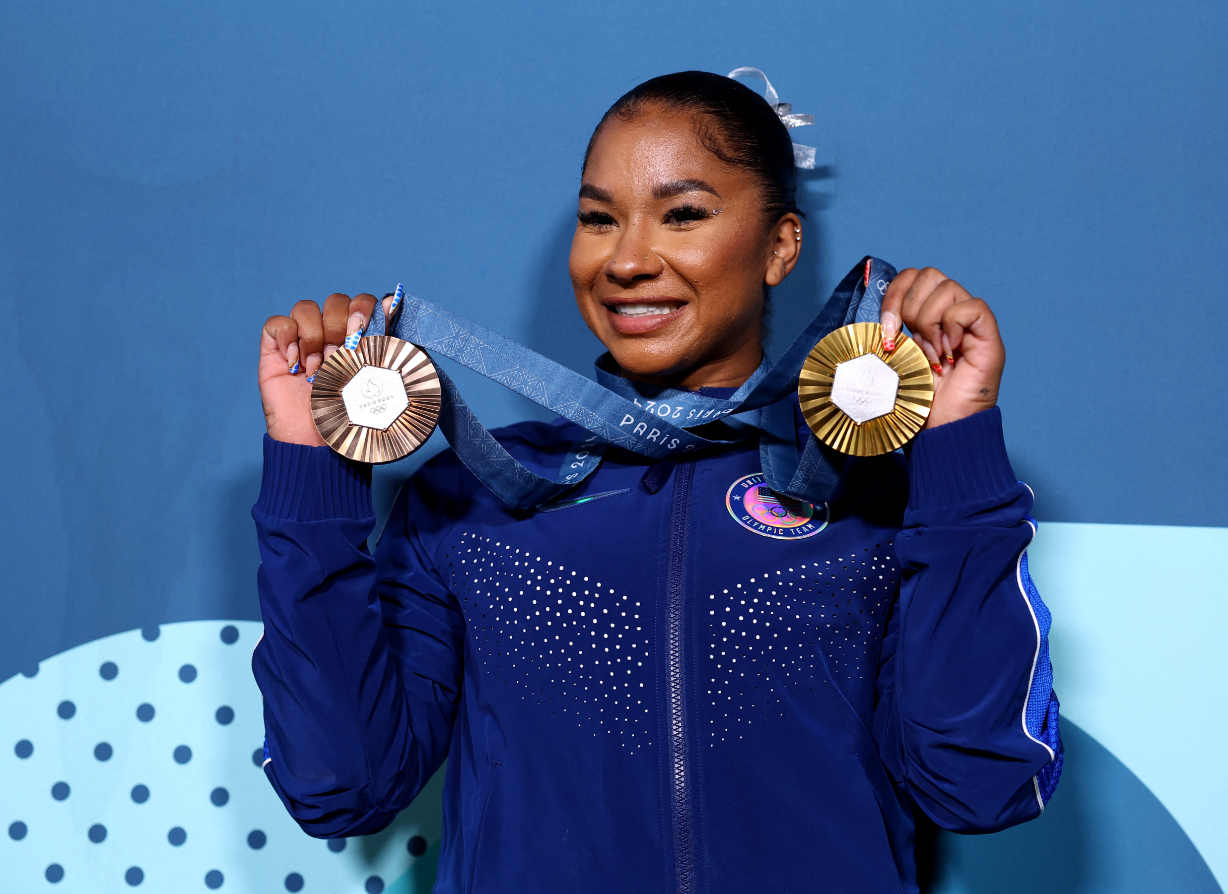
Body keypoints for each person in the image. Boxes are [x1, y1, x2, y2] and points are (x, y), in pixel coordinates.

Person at [252, 70, 1061, 894]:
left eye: (683, 214)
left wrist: (957, 450)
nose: (629, 260)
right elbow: (342, 787)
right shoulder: (469, 498)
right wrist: (314, 474)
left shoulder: (878, 502)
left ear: (781, 245)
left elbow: (980, 785)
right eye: (599, 219)